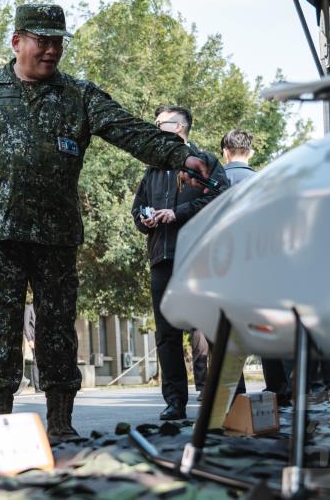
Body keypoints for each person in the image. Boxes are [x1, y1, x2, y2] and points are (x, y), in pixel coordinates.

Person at [0, 4, 211, 444]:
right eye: (41, 41)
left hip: (56, 236)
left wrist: (181, 155)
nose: (51, 51)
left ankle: (61, 422)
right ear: (17, 41)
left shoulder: (79, 94)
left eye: (58, 43)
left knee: (57, 329)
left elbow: (132, 131)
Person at [132, 105, 229, 421]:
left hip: (200, 257)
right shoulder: (153, 170)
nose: (155, 127)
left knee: (215, 328)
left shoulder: (206, 162)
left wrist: (178, 213)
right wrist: (145, 219)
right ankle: (175, 401)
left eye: (159, 123)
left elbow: (222, 198)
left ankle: (230, 397)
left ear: (178, 127)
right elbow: (137, 210)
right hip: (162, 257)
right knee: (166, 334)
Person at [220, 129, 291, 405]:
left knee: (229, 331)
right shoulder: (265, 181)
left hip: (228, 264)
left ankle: (233, 393)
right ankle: (280, 389)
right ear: (250, 152)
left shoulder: (216, 180)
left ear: (225, 151)